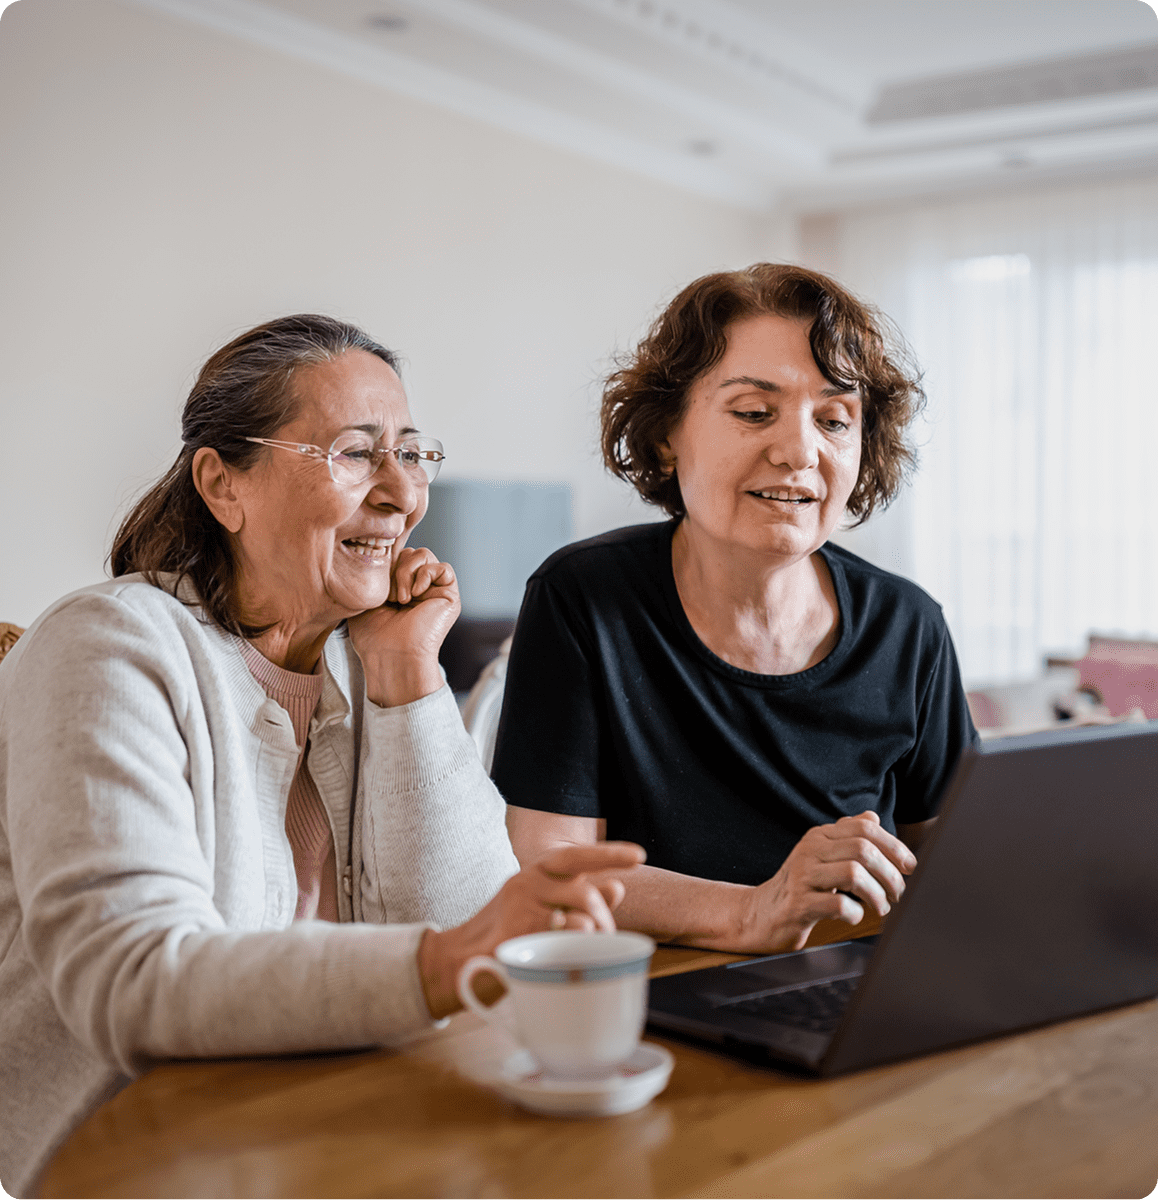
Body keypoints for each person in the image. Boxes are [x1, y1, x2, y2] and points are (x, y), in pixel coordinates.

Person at [0, 314, 642, 1198]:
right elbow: (134, 980)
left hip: (328, 1137)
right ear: (223, 486)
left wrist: (409, 670)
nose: (401, 494)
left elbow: (476, 929)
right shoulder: (108, 644)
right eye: (354, 454)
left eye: (411, 454)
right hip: (114, 1161)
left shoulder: (365, 660)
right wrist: (446, 962)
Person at [493, 264, 976, 957]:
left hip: (855, 990)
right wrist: (753, 911)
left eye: (835, 420)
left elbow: (960, 867)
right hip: (660, 998)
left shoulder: (910, 625)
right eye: (754, 412)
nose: (799, 451)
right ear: (666, 435)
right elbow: (548, 868)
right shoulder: (585, 598)